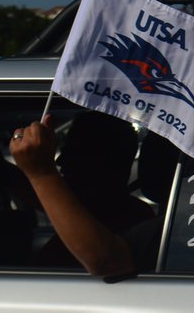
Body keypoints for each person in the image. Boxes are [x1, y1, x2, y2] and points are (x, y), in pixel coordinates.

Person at [9, 111, 161, 277]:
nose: (61, 160)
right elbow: (14, 182)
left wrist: (42, 173)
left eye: (72, 151)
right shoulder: (93, 206)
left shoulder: (130, 217)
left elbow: (106, 262)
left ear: (104, 161)